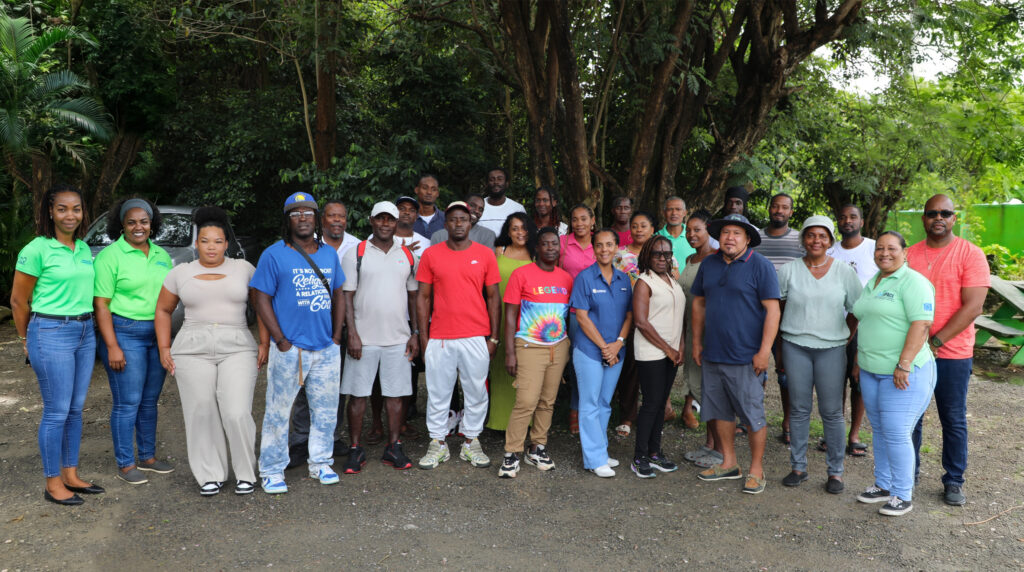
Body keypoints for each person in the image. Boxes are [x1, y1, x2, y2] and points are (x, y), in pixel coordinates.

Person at [155, 207, 269, 496]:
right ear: (197, 244)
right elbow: (163, 310)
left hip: (237, 346)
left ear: (226, 244)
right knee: (201, 410)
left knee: (236, 411)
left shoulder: (244, 269)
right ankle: (210, 474)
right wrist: (164, 347)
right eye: (205, 241)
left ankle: (246, 473)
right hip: (191, 348)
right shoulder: (180, 273)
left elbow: (262, 307)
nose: (211, 247)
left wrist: (264, 342)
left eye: (217, 241)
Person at [11, 185, 102, 506]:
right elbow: (18, 301)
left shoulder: (83, 248)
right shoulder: (37, 249)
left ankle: (70, 474)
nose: (70, 215)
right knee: (56, 411)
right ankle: (52, 483)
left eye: (76, 208)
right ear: (50, 211)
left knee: (75, 409)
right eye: (62, 209)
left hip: (84, 331)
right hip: (50, 331)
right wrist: (25, 339)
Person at [251, 192, 346, 494]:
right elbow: (261, 298)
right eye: (295, 213)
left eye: (307, 213)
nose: (302, 218)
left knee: (326, 412)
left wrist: (336, 337)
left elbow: (339, 293)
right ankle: (271, 469)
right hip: (289, 348)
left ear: (317, 219)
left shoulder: (329, 254)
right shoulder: (274, 254)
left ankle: (321, 463)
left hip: (325, 347)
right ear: (287, 220)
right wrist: (280, 340)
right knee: (278, 412)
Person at [907, 194, 989, 506]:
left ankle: (953, 480)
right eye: (932, 213)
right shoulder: (909, 254)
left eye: (945, 213)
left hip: (952, 353)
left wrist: (935, 342)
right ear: (924, 218)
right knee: (911, 417)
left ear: (954, 218)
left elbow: (973, 307)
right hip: (913, 352)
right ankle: (908, 473)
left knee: (952, 418)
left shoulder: (971, 254)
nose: (938, 218)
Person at [692, 214, 780, 495]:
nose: (730, 238)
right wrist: (696, 342)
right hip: (713, 352)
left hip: (746, 356)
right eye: (725, 232)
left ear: (747, 239)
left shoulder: (761, 265)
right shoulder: (709, 264)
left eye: (736, 233)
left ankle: (756, 469)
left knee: (753, 415)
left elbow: (773, 310)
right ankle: (729, 462)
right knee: (719, 410)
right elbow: (699, 303)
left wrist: (764, 352)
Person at [776, 216, 862, 494]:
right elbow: (776, 307)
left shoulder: (844, 271)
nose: (816, 240)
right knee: (799, 409)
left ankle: (835, 472)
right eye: (811, 235)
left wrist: (845, 335)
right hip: (795, 345)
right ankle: (798, 467)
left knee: (832, 411)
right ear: (803, 239)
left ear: (830, 241)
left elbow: (857, 309)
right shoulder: (788, 270)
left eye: (822, 236)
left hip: (832, 349)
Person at [853, 231, 936, 517]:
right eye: (879, 248)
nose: (884, 253)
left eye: (891, 248)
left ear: (904, 252)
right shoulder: (874, 281)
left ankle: (902, 494)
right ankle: (884, 484)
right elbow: (868, 321)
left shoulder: (913, 282)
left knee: (897, 432)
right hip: (871, 370)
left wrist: (904, 363)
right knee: (880, 429)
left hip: (904, 372)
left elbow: (921, 325)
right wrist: (860, 359)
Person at [93, 198, 174, 485]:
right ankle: (126, 464)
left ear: (152, 224)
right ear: (122, 225)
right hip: (124, 332)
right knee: (128, 402)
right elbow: (101, 304)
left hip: (157, 333)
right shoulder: (109, 257)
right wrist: (112, 346)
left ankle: (148, 457)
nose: (138, 227)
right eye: (131, 222)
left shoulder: (162, 255)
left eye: (144, 222)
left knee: (150, 400)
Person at [416, 202, 501, 470]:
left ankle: (471, 442)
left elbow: (494, 297)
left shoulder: (485, 254)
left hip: (475, 335)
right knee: (438, 392)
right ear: (446, 224)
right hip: (440, 336)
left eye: (463, 219)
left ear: (470, 222)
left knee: (476, 392)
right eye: (453, 219)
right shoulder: (432, 254)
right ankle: (437, 443)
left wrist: (494, 338)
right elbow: (423, 297)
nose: (459, 223)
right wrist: (423, 337)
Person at [340, 202, 419, 474]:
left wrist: (415, 333)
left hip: (398, 338)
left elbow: (413, 297)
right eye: (380, 219)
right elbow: (346, 296)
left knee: (395, 396)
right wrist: (352, 333)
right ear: (371, 220)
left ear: (397, 223)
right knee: (358, 395)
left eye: (390, 219)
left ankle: (393, 446)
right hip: (363, 338)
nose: (385, 224)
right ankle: (355, 448)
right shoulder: (356, 252)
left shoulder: (407, 255)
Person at [498, 228, 573, 477]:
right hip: (529, 345)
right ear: (537, 248)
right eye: (545, 244)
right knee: (526, 401)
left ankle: (537, 448)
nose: (551, 248)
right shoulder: (521, 274)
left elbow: (567, 316)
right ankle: (511, 453)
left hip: (558, 347)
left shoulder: (566, 279)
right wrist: (510, 352)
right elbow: (510, 316)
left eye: (555, 244)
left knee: (547, 401)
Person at [288, 199, 357, 468]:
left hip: (340, 328)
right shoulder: (306, 243)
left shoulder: (357, 246)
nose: (337, 220)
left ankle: (331, 436)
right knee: (303, 387)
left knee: (334, 387)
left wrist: (341, 334)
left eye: (341, 216)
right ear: (322, 219)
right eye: (331, 216)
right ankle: (300, 440)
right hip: (309, 326)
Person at [571, 229, 633, 477]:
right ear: (594, 248)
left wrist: (618, 343)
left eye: (609, 245)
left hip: (616, 351)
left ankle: (600, 451)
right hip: (589, 350)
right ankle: (595, 459)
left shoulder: (624, 279)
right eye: (599, 245)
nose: (604, 249)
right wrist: (605, 348)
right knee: (589, 404)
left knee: (604, 403)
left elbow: (629, 316)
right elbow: (582, 317)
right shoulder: (584, 278)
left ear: (617, 247)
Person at [612, 211, 677, 438]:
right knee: (631, 370)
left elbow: (674, 284)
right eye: (635, 226)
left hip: (661, 319)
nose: (638, 229)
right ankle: (627, 416)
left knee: (660, 368)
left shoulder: (666, 255)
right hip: (630, 318)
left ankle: (660, 410)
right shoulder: (620, 255)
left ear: (653, 230)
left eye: (643, 225)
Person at [630, 235, 686, 478]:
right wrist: (668, 349)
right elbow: (641, 322)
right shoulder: (644, 282)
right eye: (657, 254)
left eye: (667, 254)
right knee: (651, 404)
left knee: (661, 403)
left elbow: (679, 317)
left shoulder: (672, 281)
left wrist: (680, 346)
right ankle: (639, 456)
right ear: (647, 255)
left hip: (671, 353)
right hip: (651, 352)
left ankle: (654, 453)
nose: (662, 258)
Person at [827, 204, 878, 457]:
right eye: (842, 217)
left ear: (861, 222)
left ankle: (854, 434)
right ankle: (834, 433)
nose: (847, 221)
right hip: (833, 326)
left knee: (858, 382)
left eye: (853, 217)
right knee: (834, 383)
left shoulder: (874, 248)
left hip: (865, 327)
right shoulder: (830, 251)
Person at [754, 193, 804, 445]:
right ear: (769, 208)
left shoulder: (800, 240)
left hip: (789, 316)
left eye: (785, 207)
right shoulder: (756, 238)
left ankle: (788, 422)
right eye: (775, 206)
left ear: (791, 212)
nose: (779, 211)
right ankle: (753, 418)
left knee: (786, 372)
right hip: (757, 314)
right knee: (755, 368)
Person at [486, 213, 537, 431]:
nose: (520, 233)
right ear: (508, 232)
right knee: (500, 368)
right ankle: (499, 421)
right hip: (499, 317)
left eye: (524, 228)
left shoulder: (536, 254)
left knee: (526, 371)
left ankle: (525, 423)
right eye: (515, 228)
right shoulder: (500, 251)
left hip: (528, 321)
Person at [678, 210, 718, 462]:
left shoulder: (716, 258)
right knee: (697, 386)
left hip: (707, 332)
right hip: (690, 329)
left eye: (697, 230)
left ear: (708, 230)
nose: (691, 234)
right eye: (688, 230)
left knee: (710, 391)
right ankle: (709, 443)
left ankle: (717, 448)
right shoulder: (690, 258)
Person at [559, 204, 597, 434]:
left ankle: (592, 408)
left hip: (598, 311)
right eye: (575, 219)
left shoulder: (600, 243)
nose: (579, 223)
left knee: (595, 359)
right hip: (570, 311)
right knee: (576, 361)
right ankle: (574, 408)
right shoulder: (563, 243)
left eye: (584, 218)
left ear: (593, 221)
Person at [430, 193, 497, 248]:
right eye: (472, 205)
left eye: (480, 209)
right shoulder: (438, 236)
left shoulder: (488, 235)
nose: (476, 211)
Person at [477, 167, 526, 235]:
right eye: (492, 179)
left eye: (500, 179)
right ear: (486, 184)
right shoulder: (477, 207)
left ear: (507, 184)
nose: (496, 182)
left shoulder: (517, 209)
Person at [655, 196, 696, 269]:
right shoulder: (655, 238)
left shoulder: (694, 236)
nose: (674, 213)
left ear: (685, 213)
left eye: (678, 209)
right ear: (664, 213)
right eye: (670, 209)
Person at [413, 174, 445, 239]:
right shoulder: (407, 218)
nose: (429, 192)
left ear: (437, 193)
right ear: (416, 190)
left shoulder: (445, 219)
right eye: (425, 188)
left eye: (434, 189)